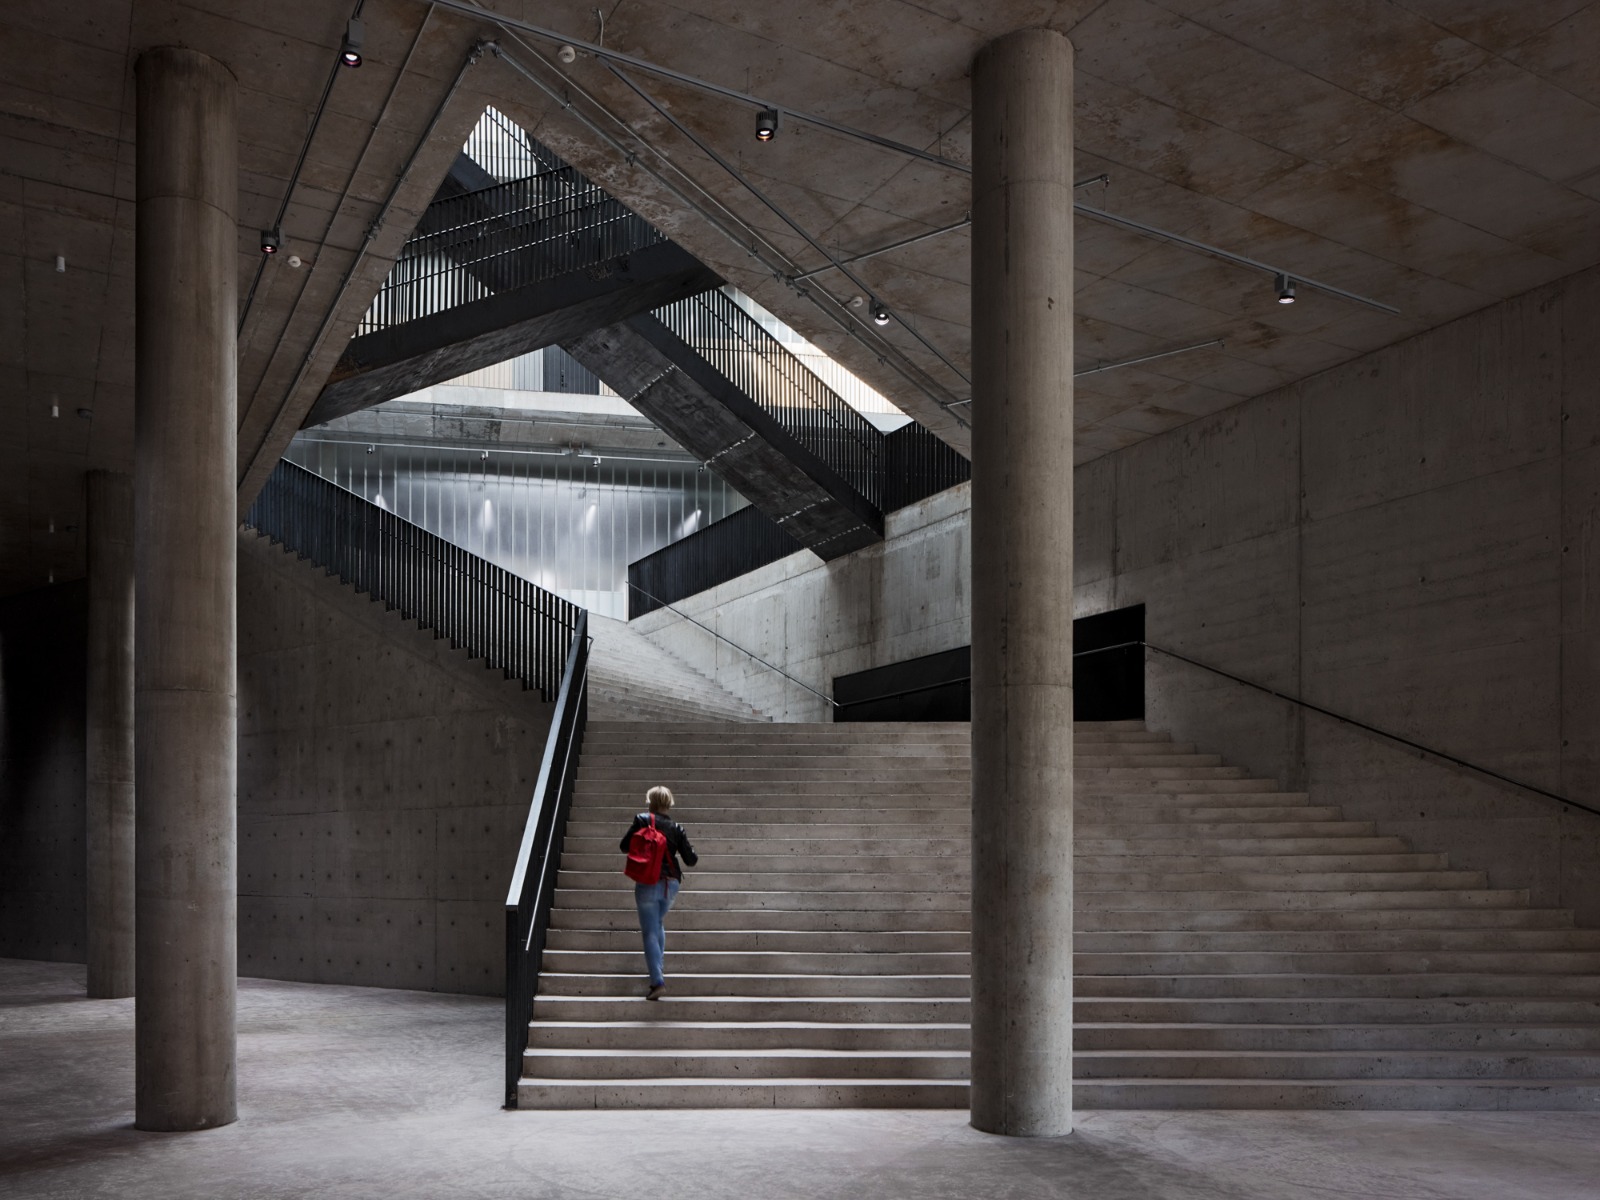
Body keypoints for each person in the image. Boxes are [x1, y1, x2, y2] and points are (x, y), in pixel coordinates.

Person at [620, 785, 698, 1000]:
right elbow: (691, 860)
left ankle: (657, 982)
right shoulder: (677, 828)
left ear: (650, 801)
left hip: (648, 881)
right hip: (670, 884)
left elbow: (624, 846)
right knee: (658, 923)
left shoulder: (642, 820)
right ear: (669, 803)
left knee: (650, 932)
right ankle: (658, 968)